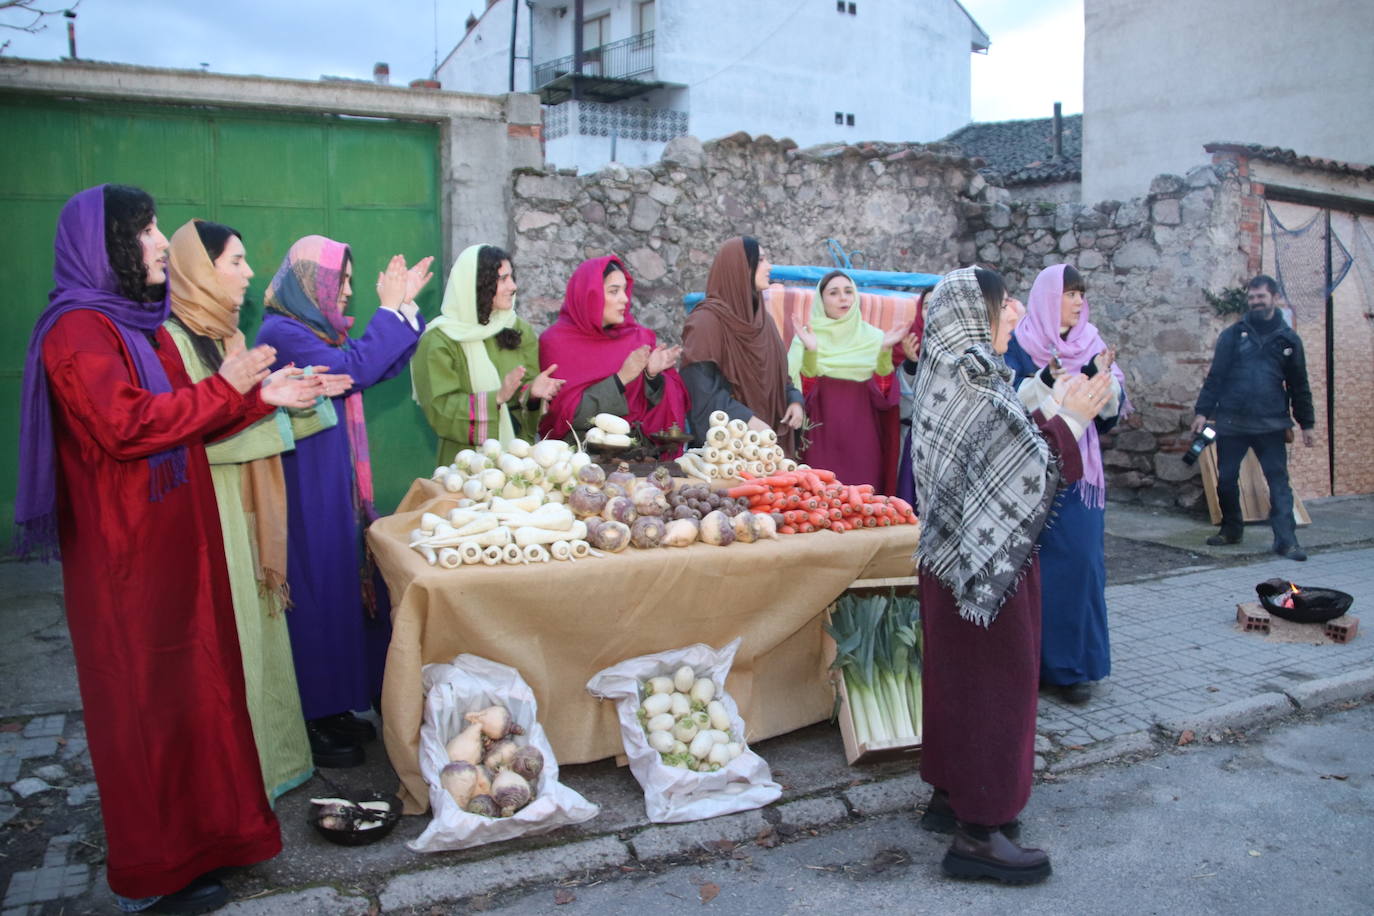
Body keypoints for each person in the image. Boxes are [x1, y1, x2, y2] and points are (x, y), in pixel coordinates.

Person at [15, 185, 329, 912]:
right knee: (143, 713)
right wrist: (227, 387)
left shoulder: (139, 327)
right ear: (107, 247)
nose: (160, 242)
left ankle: (210, 845)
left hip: (179, 547)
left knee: (199, 701)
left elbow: (189, 421)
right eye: (147, 230)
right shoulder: (78, 332)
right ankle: (155, 878)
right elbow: (127, 426)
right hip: (125, 564)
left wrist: (260, 397)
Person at [910, 266, 1112, 884]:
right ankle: (980, 832)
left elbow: (1004, 443)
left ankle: (952, 795)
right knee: (997, 684)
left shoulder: (955, 375)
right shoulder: (973, 388)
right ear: (969, 317)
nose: (1015, 315)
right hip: (983, 570)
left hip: (954, 564)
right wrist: (1071, 419)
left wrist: (1048, 408)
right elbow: (1026, 467)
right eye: (1002, 307)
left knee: (957, 680)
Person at [165, 219, 356, 790]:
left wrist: (295, 398)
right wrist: (279, 409)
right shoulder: (173, 341)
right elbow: (195, 435)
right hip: (212, 508)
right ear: (202, 270)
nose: (251, 272)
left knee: (262, 637)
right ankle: (241, 775)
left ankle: (271, 762)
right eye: (236, 261)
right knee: (239, 640)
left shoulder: (226, 335)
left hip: (247, 503)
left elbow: (238, 411)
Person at [255, 236, 431, 767]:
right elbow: (351, 369)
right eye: (343, 283)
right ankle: (312, 716)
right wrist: (388, 309)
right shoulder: (282, 331)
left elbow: (375, 367)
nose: (349, 293)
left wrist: (401, 309)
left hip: (331, 480)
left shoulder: (311, 331)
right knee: (314, 589)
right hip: (303, 484)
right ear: (312, 284)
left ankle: (333, 705)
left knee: (339, 585)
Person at [1004, 264, 1129, 705]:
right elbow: (1007, 403)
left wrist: (1102, 381)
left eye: (1081, 293)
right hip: (1030, 473)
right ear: (1046, 296)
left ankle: (1076, 668)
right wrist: (1044, 383)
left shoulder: (1092, 343)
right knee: (1029, 569)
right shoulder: (1018, 343)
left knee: (1080, 564)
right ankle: (1030, 664)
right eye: (1069, 292)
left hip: (1078, 477)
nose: (1078, 301)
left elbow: (1111, 415)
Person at [1192, 274, 1315, 560]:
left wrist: (1306, 423)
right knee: (1225, 479)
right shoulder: (1233, 336)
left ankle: (1286, 540)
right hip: (1231, 421)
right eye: (1252, 297)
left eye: (1261, 296)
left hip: (1271, 423)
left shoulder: (1289, 340)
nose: (1256, 302)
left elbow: (1299, 384)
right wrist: (1202, 412)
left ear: (1274, 298)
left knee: (1278, 482)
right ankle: (1231, 530)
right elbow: (1216, 377)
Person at [412, 244, 563, 463]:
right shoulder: (438, 340)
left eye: (512, 277)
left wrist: (533, 394)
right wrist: (497, 398)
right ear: (476, 285)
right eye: (503, 279)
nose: (513, 286)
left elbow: (526, 401)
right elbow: (440, 410)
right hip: (465, 464)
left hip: (519, 461)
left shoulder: (518, 329)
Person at [538, 255, 688, 448]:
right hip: (580, 458)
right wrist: (621, 378)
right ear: (590, 295)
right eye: (614, 291)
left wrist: (652, 375)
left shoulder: (637, 338)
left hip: (639, 457)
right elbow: (565, 418)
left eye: (625, 290)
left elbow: (655, 413)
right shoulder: (556, 342)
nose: (625, 299)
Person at [680, 237, 804, 453]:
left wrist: (794, 400)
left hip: (766, 451)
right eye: (761, 260)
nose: (769, 266)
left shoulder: (764, 323)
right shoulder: (705, 322)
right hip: (724, 454)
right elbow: (701, 394)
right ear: (739, 268)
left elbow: (779, 379)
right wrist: (745, 419)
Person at [787, 270, 905, 489]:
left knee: (864, 508)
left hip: (863, 441)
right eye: (834, 293)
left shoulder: (875, 338)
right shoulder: (807, 336)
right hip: (819, 439)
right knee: (818, 505)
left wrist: (884, 352)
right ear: (821, 301)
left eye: (848, 291)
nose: (843, 298)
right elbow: (799, 395)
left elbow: (884, 398)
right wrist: (811, 352)